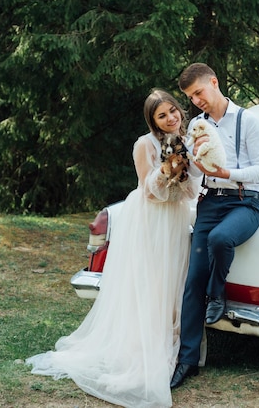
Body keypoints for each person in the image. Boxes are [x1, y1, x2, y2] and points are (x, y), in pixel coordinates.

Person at [26, 89, 200, 408]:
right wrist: (166, 171)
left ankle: (172, 344)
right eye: (162, 115)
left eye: (173, 111)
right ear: (153, 121)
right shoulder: (144, 144)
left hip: (174, 218)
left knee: (172, 280)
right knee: (148, 281)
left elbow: (190, 191)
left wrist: (185, 176)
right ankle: (139, 350)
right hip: (149, 219)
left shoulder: (187, 140)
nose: (171, 118)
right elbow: (147, 191)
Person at [170, 63, 259, 389]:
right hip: (210, 202)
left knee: (220, 239)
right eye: (190, 96)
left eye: (198, 92)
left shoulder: (248, 121)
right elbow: (198, 176)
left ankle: (217, 294)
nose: (196, 100)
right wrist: (194, 164)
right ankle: (186, 362)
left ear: (214, 82)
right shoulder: (196, 126)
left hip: (245, 202)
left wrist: (229, 174)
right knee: (192, 280)